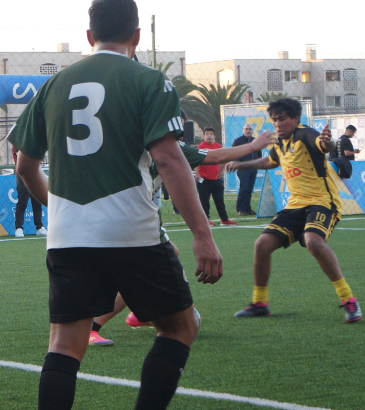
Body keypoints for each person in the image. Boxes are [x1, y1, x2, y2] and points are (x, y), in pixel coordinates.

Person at [8, 0, 222, 410]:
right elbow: (169, 159)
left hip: (68, 235)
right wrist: (202, 233)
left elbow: (24, 165)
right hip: (131, 231)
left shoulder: (54, 85)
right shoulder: (149, 81)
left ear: (89, 36)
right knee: (180, 327)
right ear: (137, 36)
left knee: (64, 344)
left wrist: (59, 208)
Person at [89, 127, 275, 346]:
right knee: (138, 272)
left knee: (166, 256)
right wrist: (253, 146)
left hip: (127, 216)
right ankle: (93, 326)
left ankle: (141, 312)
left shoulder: (135, 141)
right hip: (128, 218)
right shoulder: (167, 147)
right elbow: (215, 156)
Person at [227, 97, 361, 323]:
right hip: (295, 205)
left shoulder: (305, 134)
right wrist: (242, 164)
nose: (277, 124)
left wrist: (328, 142)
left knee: (313, 242)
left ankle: (348, 299)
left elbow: (323, 146)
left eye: (282, 119)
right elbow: (270, 161)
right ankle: (259, 303)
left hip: (322, 202)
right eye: (274, 120)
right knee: (262, 245)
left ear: (295, 118)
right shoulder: (280, 143)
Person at [195, 127, 235, 226]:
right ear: (203, 136)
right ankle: (205, 220)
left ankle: (224, 220)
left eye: (211, 134)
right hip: (204, 179)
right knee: (204, 201)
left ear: (214, 136)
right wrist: (197, 174)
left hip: (216, 179)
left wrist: (222, 170)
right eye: (207, 134)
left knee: (219, 200)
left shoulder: (218, 146)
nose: (209, 136)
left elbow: (225, 158)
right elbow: (195, 161)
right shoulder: (201, 147)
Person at [10, 145, 45, 237]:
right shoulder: (17, 143)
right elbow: (22, 156)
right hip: (22, 176)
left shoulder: (33, 141)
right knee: (22, 202)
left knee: (37, 202)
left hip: (35, 175)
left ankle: (39, 227)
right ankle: (19, 228)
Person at [231, 123, 262, 217]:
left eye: (250, 129)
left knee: (250, 188)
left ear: (252, 131)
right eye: (246, 129)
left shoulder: (255, 141)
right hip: (243, 168)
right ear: (243, 130)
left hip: (253, 168)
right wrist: (238, 164)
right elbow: (233, 153)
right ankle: (240, 209)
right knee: (244, 188)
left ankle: (247, 208)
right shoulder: (238, 141)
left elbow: (259, 153)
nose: (248, 130)